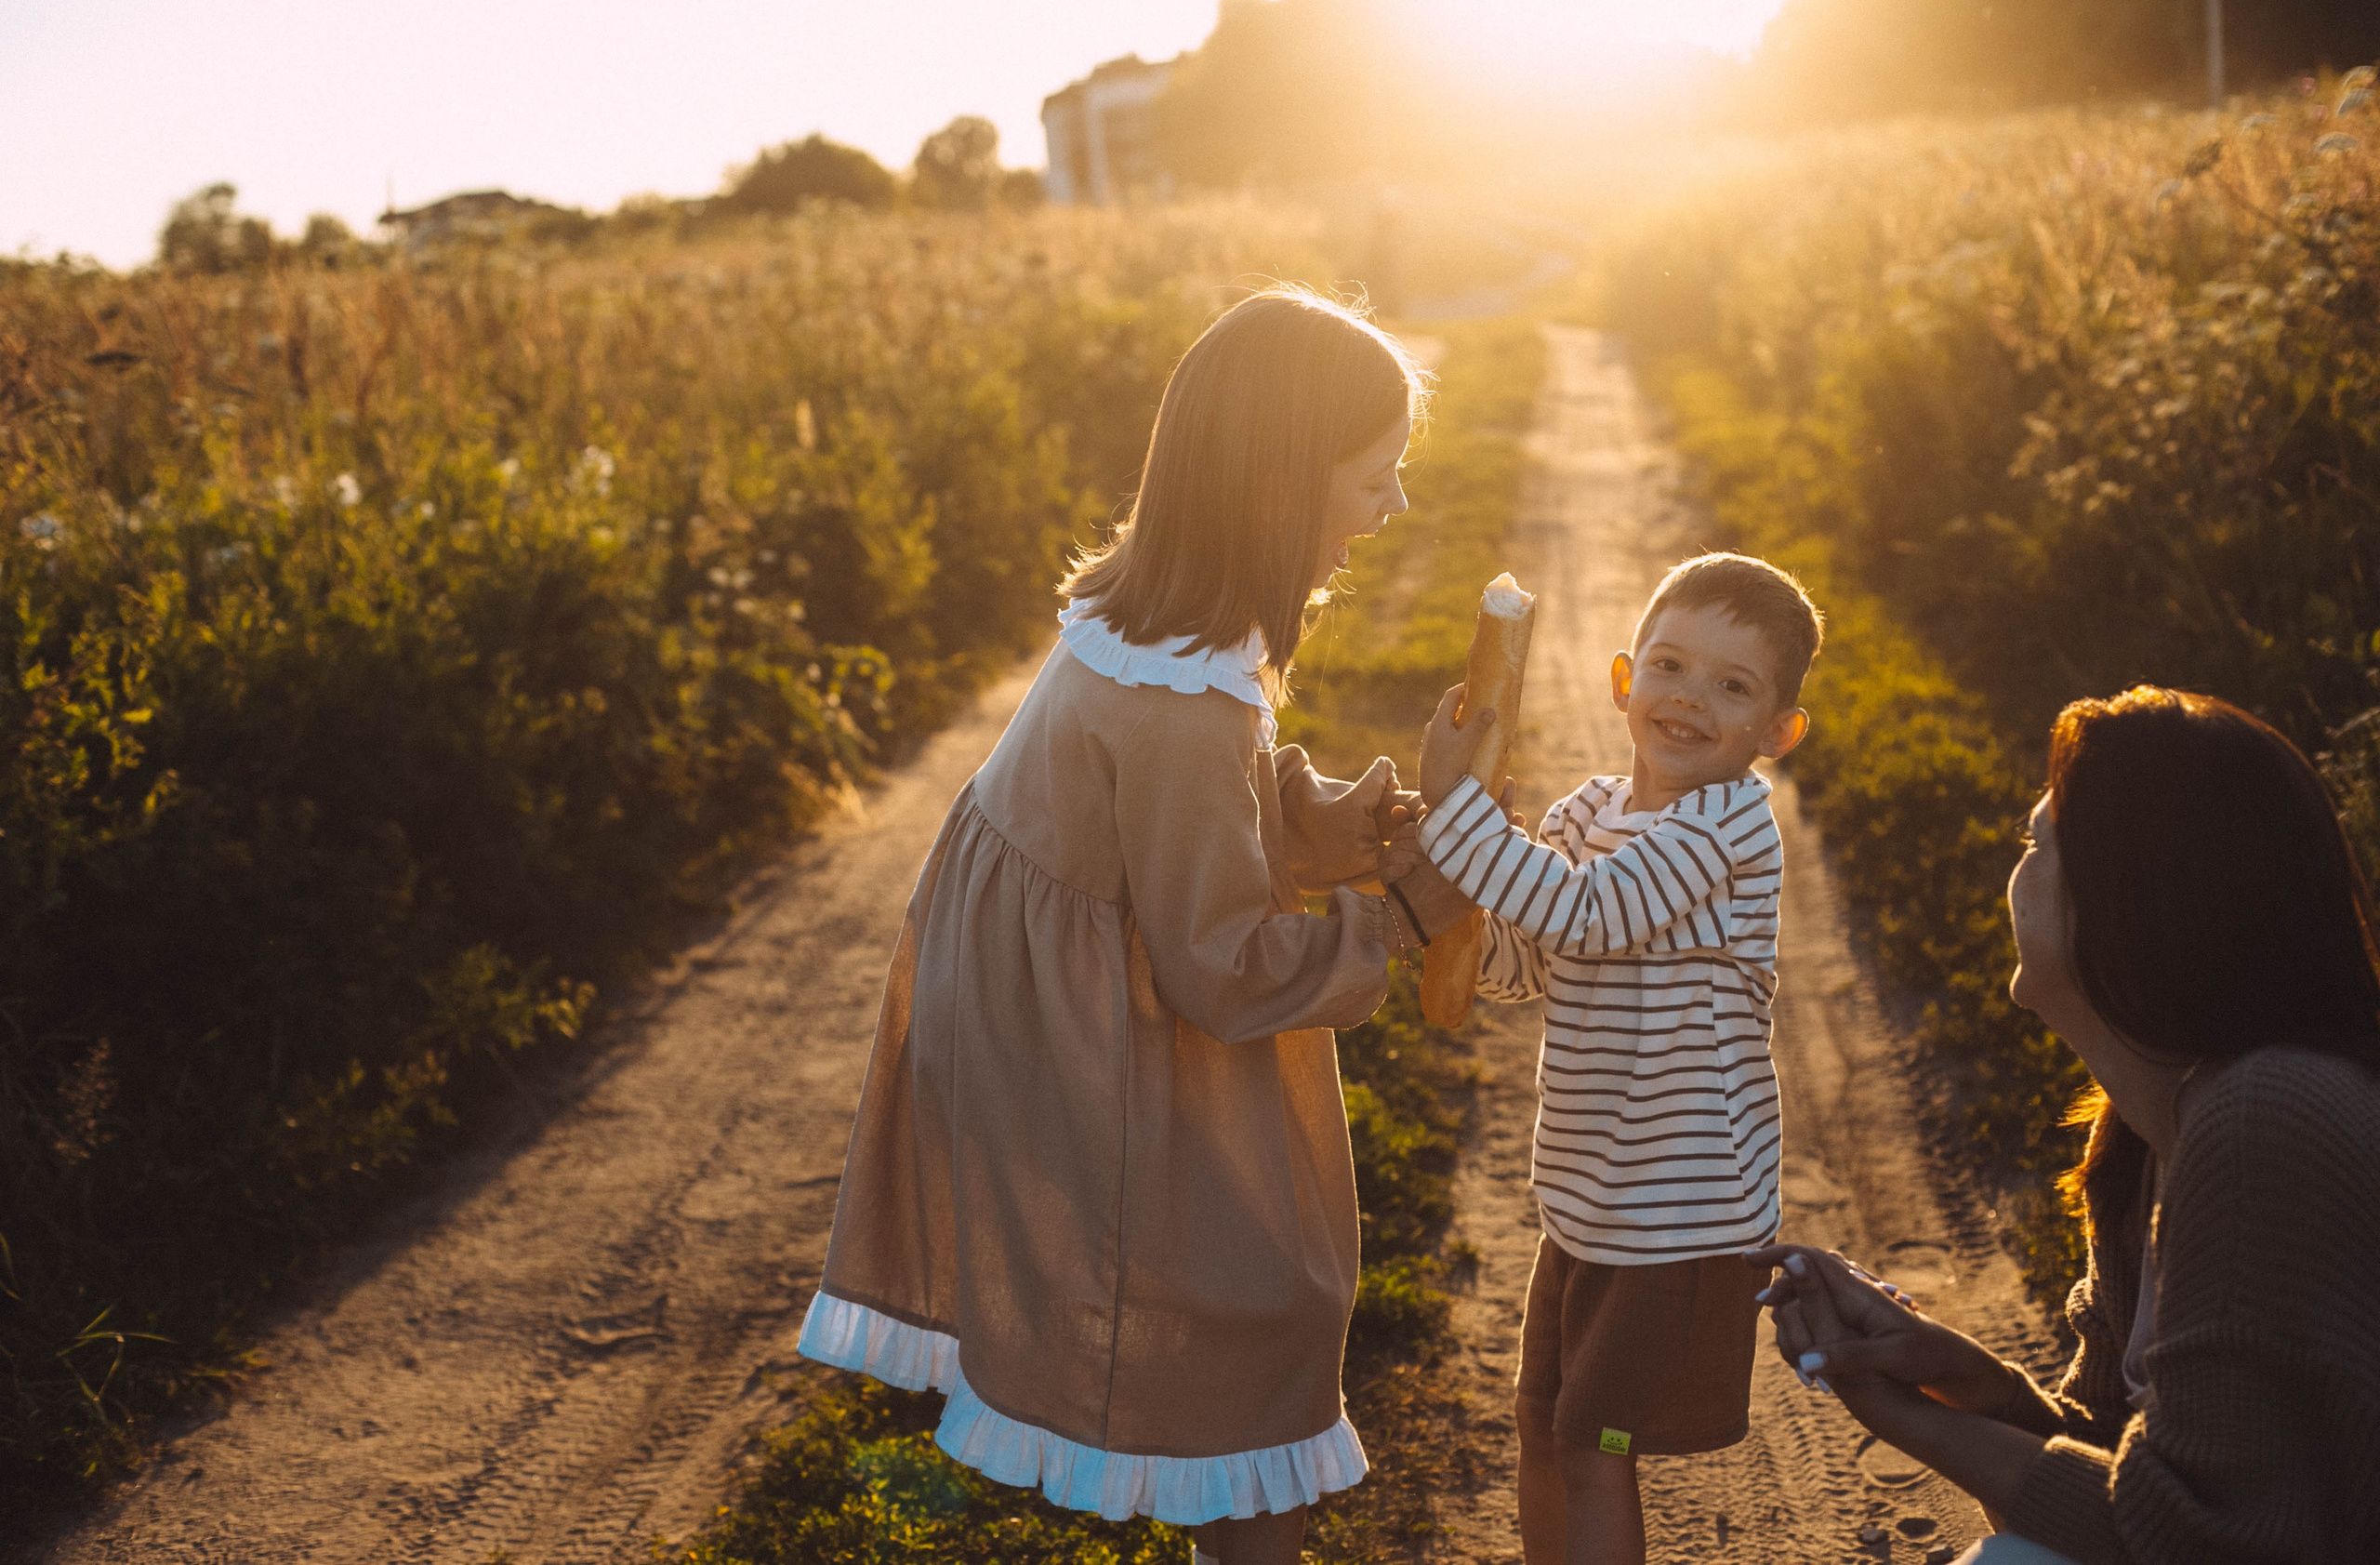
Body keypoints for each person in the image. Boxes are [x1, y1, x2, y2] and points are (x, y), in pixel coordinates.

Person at [795, 287, 1478, 1565]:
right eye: (1375, 478)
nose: (1393, 509)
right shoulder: (1188, 700)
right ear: (1281, 484)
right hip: (1070, 1028)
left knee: (1227, 1280)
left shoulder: (1168, 629)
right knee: (1250, 1296)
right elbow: (1218, 966)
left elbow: (1191, 821)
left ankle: (1222, 1493)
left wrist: (1316, 821)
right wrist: (1392, 915)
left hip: (1041, 982)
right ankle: (1234, 1510)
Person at [1752, 685, 2380, 1564]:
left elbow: (2193, 1542)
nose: (2016, 869)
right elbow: (2129, 1467)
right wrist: (1972, 1381)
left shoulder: (2264, 1119)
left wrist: (1905, 1418)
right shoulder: (2145, 1134)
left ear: (2132, 897)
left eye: (2035, 844)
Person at [1405, 552, 1823, 1565]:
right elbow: (1530, 961)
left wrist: (1454, 811)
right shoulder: (1586, 815)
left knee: (1595, 1450)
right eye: (1671, 667)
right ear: (1623, 678)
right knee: (1541, 1429)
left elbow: (1587, 915)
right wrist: (1440, 911)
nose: (1689, 700)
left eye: (1732, 687)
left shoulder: (1729, 827)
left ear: (1777, 733)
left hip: (1681, 1213)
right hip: (1590, 1203)